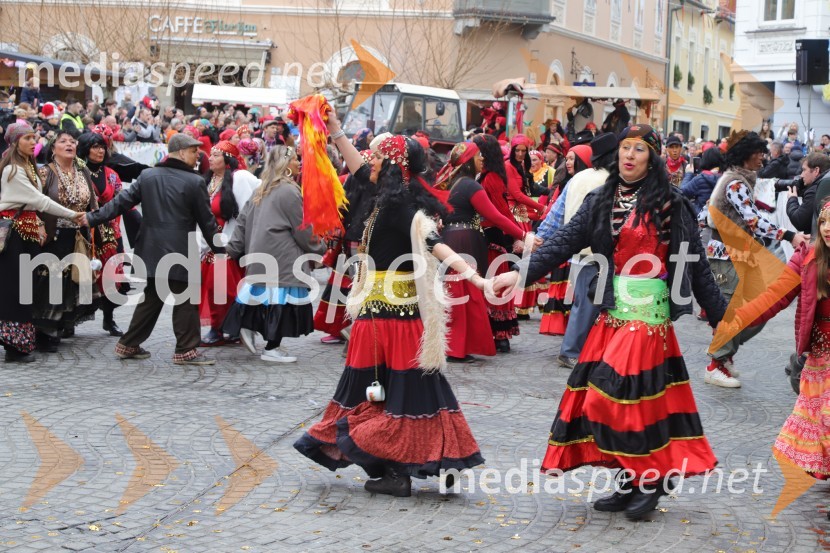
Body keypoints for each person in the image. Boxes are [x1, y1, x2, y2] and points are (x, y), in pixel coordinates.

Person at [493, 124, 729, 520]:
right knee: (603, 401)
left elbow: (698, 266)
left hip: (648, 318)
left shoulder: (670, 203)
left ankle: (650, 479)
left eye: (639, 149)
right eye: (624, 148)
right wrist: (519, 274)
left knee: (617, 399)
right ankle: (630, 478)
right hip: (612, 314)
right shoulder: (602, 199)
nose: (630, 155)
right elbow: (565, 241)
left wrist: (723, 319)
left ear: (652, 157)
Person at [294, 112, 490, 498]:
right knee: (373, 390)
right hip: (373, 315)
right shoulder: (377, 197)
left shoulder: (403, 210)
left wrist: (477, 278)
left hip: (398, 320)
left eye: (376, 157)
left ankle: (409, 467)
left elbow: (434, 242)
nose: (369, 160)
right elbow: (354, 160)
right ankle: (403, 465)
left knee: (406, 391)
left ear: (393, 166)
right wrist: (334, 130)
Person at [80, 133, 225, 365]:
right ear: (180, 152)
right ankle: (185, 351)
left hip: (151, 248)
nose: (198, 155)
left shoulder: (148, 176)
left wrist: (91, 218)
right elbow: (207, 223)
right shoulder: (195, 181)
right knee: (186, 299)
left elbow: (120, 203)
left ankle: (128, 344)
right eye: (193, 150)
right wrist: (221, 250)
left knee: (153, 297)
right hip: (181, 249)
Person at [721, 201, 830, 504]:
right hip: (821, 357)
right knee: (822, 423)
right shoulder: (807, 257)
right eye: (823, 221)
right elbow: (775, 295)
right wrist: (738, 318)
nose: (828, 228)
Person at [705, 131, 809, 387]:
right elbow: (753, 220)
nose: (763, 157)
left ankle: (725, 354)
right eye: (759, 153)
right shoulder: (735, 182)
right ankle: (715, 365)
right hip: (728, 257)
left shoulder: (735, 179)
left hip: (740, 255)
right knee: (733, 311)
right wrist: (789, 235)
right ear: (746, 155)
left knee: (760, 308)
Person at [223, 145, 324, 362]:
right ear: (286, 165)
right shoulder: (289, 191)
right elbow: (302, 227)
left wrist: (233, 248)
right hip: (282, 257)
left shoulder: (262, 188)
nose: (299, 163)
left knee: (264, 300)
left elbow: (242, 222)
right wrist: (320, 248)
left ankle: (249, 328)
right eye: (295, 159)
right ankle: (271, 348)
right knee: (281, 304)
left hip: (261, 255)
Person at [435, 141, 529, 363]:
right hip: (464, 241)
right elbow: (496, 216)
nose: (482, 159)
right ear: (468, 161)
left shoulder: (454, 183)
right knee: (463, 294)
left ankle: (455, 346)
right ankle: (456, 348)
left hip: (452, 238)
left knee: (456, 293)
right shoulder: (470, 186)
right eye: (478, 156)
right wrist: (524, 235)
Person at [0, 123, 84, 362]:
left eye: (33, 137)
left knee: (24, 289)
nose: (32, 142)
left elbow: (35, 204)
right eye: (27, 138)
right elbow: (40, 200)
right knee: (15, 290)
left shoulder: (26, 166)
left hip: (27, 233)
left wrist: (38, 223)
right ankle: (14, 347)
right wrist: (72, 214)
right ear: (15, 142)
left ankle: (19, 345)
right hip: (16, 234)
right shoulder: (13, 171)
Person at [32, 130, 102, 350]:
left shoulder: (83, 172)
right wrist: (39, 225)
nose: (69, 144)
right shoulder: (45, 173)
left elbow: (92, 203)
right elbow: (33, 203)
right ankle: (45, 330)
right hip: (53, 235)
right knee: (52, 280)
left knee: (72, 282)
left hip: (78, 236)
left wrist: (95, 223)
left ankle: (61, 324)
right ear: (53, 149)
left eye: (72, 141)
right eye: (63, 142)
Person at [198, 141, 259, 346]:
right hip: (208, 243)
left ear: (227, 160)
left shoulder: (238, 178)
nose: (211, 158)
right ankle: (221, 326)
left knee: (224, 288)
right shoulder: (207, 181)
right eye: (211, 154)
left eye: (216, 155)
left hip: (229, 244)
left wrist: (239, 243)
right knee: (212, 288)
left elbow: (246, 212)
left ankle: (225, 327)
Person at [537, 145, 592, 338]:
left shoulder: (584, 182)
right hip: (565, 239)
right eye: (566, 159)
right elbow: (556, 212)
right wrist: (543, 234)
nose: (568, 162)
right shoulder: (566, 182)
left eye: (572, 159)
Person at [77, 128, 127, 337]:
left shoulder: (112, 175)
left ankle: (109, 319)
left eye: (101, 147)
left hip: (108, 230)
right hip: (81, 228)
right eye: (94, 147)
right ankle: (70, 319)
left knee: (111, 276)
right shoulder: (77, 172)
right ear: (85, 149)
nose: (99, 151)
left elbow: (122, 200)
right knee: (79, 274)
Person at [472, 133, 520, 352]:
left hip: (494, 236)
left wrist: (519, 235)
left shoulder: (490, 178)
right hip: (488, 235)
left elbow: (501, 212)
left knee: (495, 283)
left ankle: (501, 335)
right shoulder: (485, 175)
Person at [786, 153, 830, 234]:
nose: (801, 175)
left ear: (816, 170)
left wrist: (792, 199)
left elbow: (799, 221)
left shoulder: (814, 190)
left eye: (804, 170)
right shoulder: (826, 182)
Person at [680, 146, 724, 214]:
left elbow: (682, 192)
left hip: (702, 218)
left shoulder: (701, 179)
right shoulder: (726, 177)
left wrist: (689, 173)